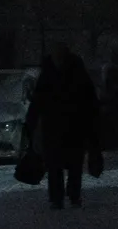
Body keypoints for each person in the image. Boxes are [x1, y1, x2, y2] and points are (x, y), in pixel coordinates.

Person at [23, 41, 99, 211]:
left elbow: (38, 100)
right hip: (71, 125)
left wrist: (32, 121)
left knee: (57, 164)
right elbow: (89, 99)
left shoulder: (49, 74)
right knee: (70, 164)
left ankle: (60, 198)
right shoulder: (76, 72)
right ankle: (70, 196)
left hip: (58, 125)